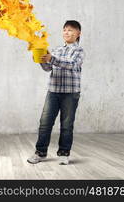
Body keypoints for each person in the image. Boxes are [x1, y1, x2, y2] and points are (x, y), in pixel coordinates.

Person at [27, 20, 85, 165]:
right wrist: (40, 58)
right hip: (53, 91)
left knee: (66, 125)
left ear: (78, 34)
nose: (66, 32)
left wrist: (52, 58)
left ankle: (64, 154)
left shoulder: (79, 51)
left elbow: (71, 65)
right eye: (64, 29)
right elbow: (48, 68)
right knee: (45, 123)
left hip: (70, 93)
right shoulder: (57, 49)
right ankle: (40, 153)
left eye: (71, 30)